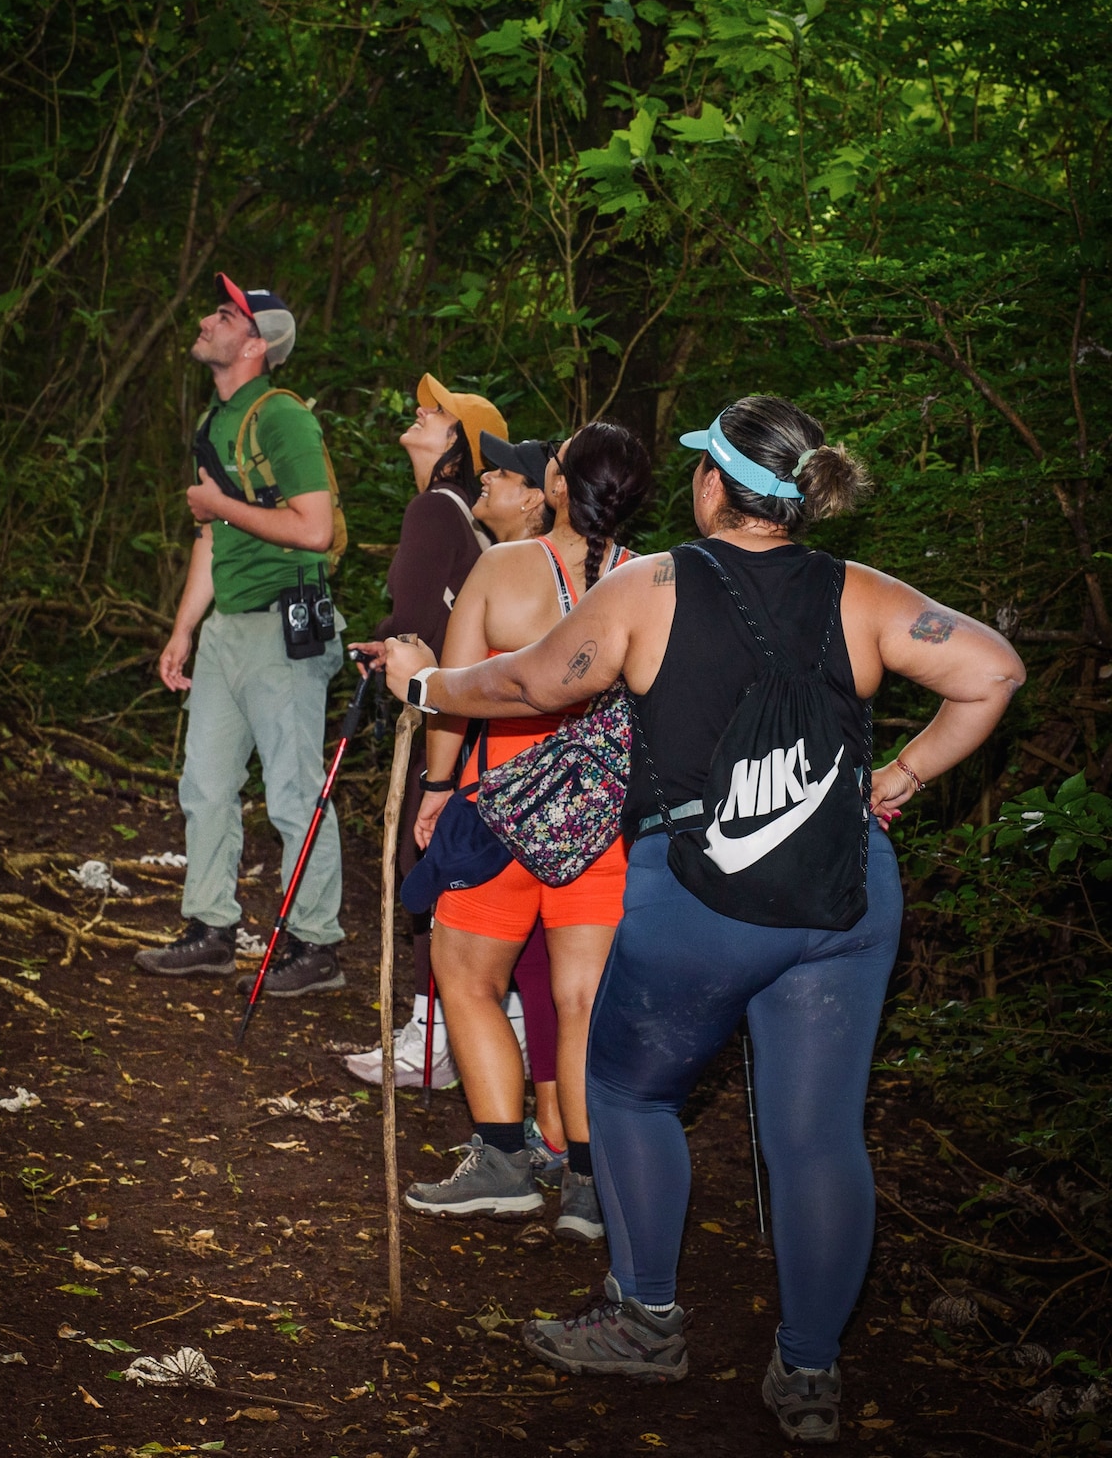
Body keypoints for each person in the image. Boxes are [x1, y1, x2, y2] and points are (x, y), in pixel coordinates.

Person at [378, 394, 1023, 1441]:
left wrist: (428, 687)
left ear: (713, 485)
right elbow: (993, 668)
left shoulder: (654, 585)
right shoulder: (858, 592)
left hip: (709, 889)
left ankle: (646, 1320)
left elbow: (535, 679)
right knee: (818, 1138)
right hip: (846, 889)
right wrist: (892, 779)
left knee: (627, 1093)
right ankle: (809, 1372)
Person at [368, 422, 654, 1245]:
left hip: (503, 814)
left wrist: (438, 786)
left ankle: (502, 1159)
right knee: (582, 1000)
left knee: (465, 976)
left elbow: (454, 694)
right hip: (604, 823)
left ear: (556, 487)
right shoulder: (657, 583)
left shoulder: (501, 570)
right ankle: (590, 1187)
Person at [135, 272, 347, 993]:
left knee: (293, 793)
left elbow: (314, 530)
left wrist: (220, 504)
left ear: (257, 343)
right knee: (206, 784)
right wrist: (183, 630)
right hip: (228, 628)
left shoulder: (281, 417)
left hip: (284, 628)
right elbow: (210, 539)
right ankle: (211, 929)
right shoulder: (214, 425)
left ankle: (316, 945)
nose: (207, 318)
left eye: (224, 314)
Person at [340, 375, 509, 1088]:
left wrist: (385, 642)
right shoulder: (465, 522)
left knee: (423, 867)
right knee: (456, 870)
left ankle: (432, 1034)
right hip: (472, 709)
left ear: (455, 451)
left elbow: (411, 612)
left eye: (437, 414)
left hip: (443, 709)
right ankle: (477, 1024)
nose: (421, 411)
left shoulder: (432, 514)